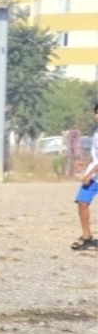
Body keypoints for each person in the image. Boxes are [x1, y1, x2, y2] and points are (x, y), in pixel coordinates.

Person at [71, 103, 98, 250]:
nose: (96, 116)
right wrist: (85, 163)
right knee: (82, 202)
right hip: (94, 175)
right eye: (96, 113)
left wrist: (90, 173)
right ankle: (86, 235)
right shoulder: (96, 132)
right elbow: (96, 155)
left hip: (94, 174)